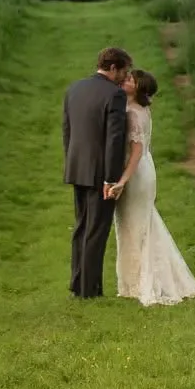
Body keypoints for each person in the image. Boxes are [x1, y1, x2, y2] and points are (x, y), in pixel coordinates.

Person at [110, 69, 195, 306]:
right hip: (144, 169)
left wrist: (122, 180)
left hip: (136, 172)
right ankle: (134, 281)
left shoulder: (133, 113)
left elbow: (136, 151)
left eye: (131, 80)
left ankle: (141, 282)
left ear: (138, 88)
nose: (125, 80)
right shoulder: (137, 109)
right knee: (136, 225)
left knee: (137, 227)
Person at [62, 45, 131, 297]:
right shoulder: (115, 95)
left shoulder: (74, 88)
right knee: (96, 230)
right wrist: (111, 179)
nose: (125, 77)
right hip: (100, 172)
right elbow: (115, 140)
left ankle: (77, 284)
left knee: (81, 227)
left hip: (77, 166)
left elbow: (67, 131)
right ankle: (89, 290)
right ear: (113, 68)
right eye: (124, 71)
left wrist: (71, 162)